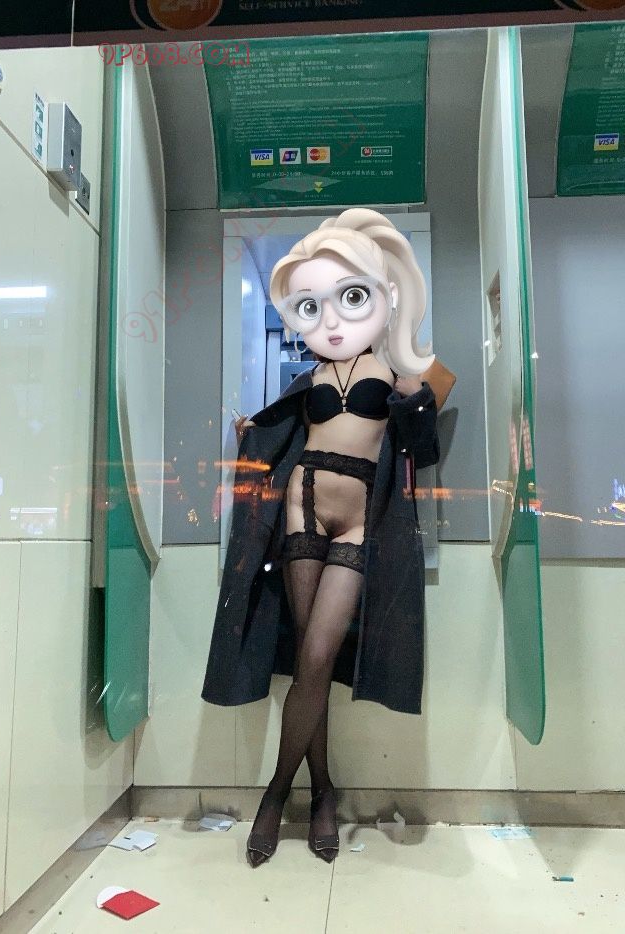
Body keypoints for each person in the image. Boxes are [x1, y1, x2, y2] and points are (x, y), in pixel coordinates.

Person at [201, 208, 455, 868]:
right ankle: (320, 796)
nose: (333, 322)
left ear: (384, 296)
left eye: (351, 298)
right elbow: (277, 429)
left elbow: (423, 448)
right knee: (308, 661)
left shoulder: (397, 369)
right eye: (312, 307)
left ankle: (278, 791)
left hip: (360, 520)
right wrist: (249, 430)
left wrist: (416, 393)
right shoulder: (307, 377)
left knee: (316, 657)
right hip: (301, 506)